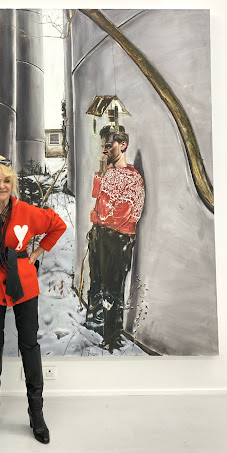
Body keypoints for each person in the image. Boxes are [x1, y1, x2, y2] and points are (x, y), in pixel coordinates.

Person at [0, 155, 66, 444]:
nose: (1, 185)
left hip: (24, 283)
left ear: (12, 183)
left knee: (29, 344)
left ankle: (36, 412)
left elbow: (57, 225)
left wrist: (37, 253)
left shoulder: (26, 211)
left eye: (6, 180)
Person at [86, 124, 145, 352]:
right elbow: (96, 196)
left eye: (109, 146)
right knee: (97, 280)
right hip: (100, 234)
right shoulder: (108, 172)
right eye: (103, 145)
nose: (105, 150)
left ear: (123, 145)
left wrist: (100, 216)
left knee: (113, 288)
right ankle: (96, 325)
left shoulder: (133, 177)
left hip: (119, 238)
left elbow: (123, 213)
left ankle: (112, 338)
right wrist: (101, 174)